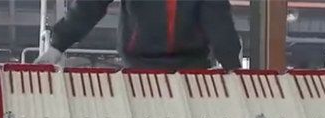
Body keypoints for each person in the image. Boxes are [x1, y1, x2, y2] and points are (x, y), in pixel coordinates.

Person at [36, 0, 242, 70]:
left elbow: (218, 19)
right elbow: (91, 4)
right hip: (141, 68)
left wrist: (232, 65)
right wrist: (57, 45)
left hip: (191, 70)